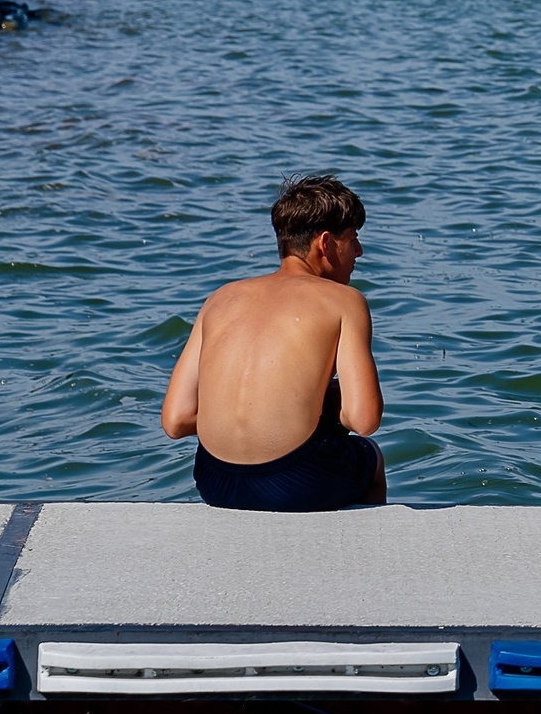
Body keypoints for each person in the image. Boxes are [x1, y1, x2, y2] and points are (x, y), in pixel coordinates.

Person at [162, 174, 387, 512]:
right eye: (353, 239)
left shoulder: (220, 299)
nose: (359, 251)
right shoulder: (345, 301)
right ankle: (362, 546)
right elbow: (365, 420)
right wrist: (318, 411)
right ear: (325, 243)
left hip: (214, 480)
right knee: (371, 457)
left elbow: (176, 421)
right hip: (299, 482)